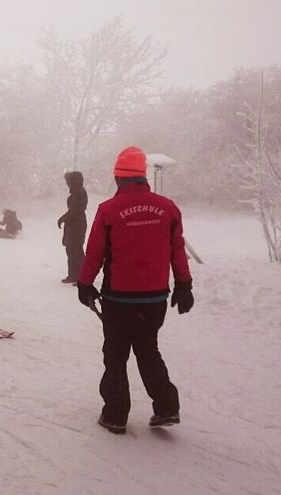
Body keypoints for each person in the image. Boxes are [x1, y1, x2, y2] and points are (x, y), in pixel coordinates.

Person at [76, 146, 194, 434]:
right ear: (143, 176)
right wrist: (184, 284)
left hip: (119, 298)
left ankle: (115, 414)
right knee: (148, 350)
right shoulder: (168, 208)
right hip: (154, 299)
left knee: (115, 355)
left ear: (118, 177)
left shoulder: (108, 210)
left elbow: (95, 253)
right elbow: (177, 249)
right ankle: (166, 406)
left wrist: (85, 283)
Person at [58, 171, 88, 284]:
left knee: (76, 251)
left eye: (69, 181)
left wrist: (62, 218)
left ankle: (81, 277)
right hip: (73, 225)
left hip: (77, 225)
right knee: (70, 250)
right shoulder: (76, 192)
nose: (67, 183)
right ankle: (72, 275)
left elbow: (75, 210)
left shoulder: (79, 193)